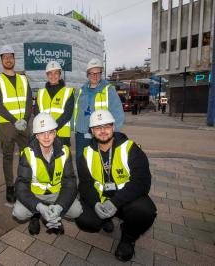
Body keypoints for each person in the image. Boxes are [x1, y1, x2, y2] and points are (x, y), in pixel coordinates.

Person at [75, 110, 157, 262]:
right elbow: (85, 185)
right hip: (101, 198)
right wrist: (95, 204)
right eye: (98, 127)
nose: (103, 131)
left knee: (145, 212)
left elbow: (142, 182)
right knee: (83, 219)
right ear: (92, 131)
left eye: (107, 126)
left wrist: (115, 202)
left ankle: (128, 238)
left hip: (125, 199)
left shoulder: (131, 149)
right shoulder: (85, 155)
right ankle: (105, 219)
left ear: (113, 127)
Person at [13, 113, 83, 235]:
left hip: (57, 193)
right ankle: (36, 216)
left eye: (50, 132)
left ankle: (55, 215)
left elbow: (70, 182)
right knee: (19, 212)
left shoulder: (64, 151)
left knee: (77, 210)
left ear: (55, 133)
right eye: (41, 133)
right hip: (35, 195)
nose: (46, 137)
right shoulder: (28, 154)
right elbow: (21, 185)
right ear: (36, 135)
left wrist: (60, 206)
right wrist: (39, 206)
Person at [0, 45, 32, 203]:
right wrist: (15, 120)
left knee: (27, 155)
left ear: (14, 59)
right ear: (1, 60)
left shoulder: (23, 78)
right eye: (5, 57)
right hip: (7, 124)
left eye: (11, 56)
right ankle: (10, 187)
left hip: (24, 122)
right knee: (7, 157)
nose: (8, 59)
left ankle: (24, 182)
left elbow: (29, 100)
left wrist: (26, 119)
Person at [73, 58, 124, 160]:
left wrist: (111, 134)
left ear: (101, 73)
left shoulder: (109, 90)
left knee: (99, 162)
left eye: (97, 73)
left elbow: (118, 114)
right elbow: (75, 111)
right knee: (81, 161)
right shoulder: (80, 91)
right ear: (87, 75)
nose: (94, 76)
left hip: (101, 134)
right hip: (82, 134)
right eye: (91, 73)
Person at [35, 61, 74, 147]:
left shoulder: (68, 92)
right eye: (50, 73)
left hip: (62, 134)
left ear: (60, 74)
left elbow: (67, 114)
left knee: (63, 159)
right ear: (47, 75)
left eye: (56, 73)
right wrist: (46, 129)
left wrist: (52, 128)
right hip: (44, 135)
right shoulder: (40, 93)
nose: (53, 76)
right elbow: (37, 114)